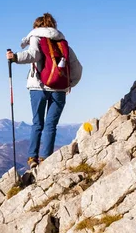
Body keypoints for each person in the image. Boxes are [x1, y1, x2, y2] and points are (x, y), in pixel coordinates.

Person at [6, 13, 82, 169]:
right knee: (51, 125)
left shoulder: (36, 37)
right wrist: (69, 84)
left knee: (37, 123)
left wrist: (14, 57)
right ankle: (45, 159)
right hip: (59, 88)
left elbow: (33, 55)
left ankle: (32, 158)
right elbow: (77, 67)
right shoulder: (62, 43)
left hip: (38, 86)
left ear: (37, 26)